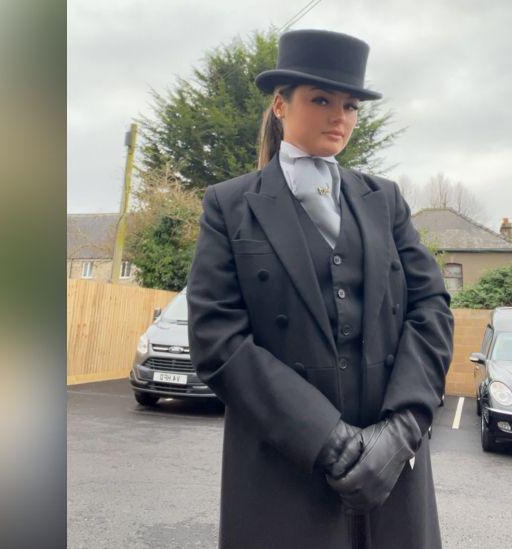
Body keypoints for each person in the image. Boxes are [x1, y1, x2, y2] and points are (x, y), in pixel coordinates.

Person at [187, 29, 454, 549]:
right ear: (281, 104)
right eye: (322, 100)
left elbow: (431, 307)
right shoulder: (230, 205)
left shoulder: (387, 200)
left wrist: (400, 432)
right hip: (283, 470)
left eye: (351, 105)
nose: (340, 116)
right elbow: (218, 337)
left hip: (392, 472)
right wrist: (327, 442)